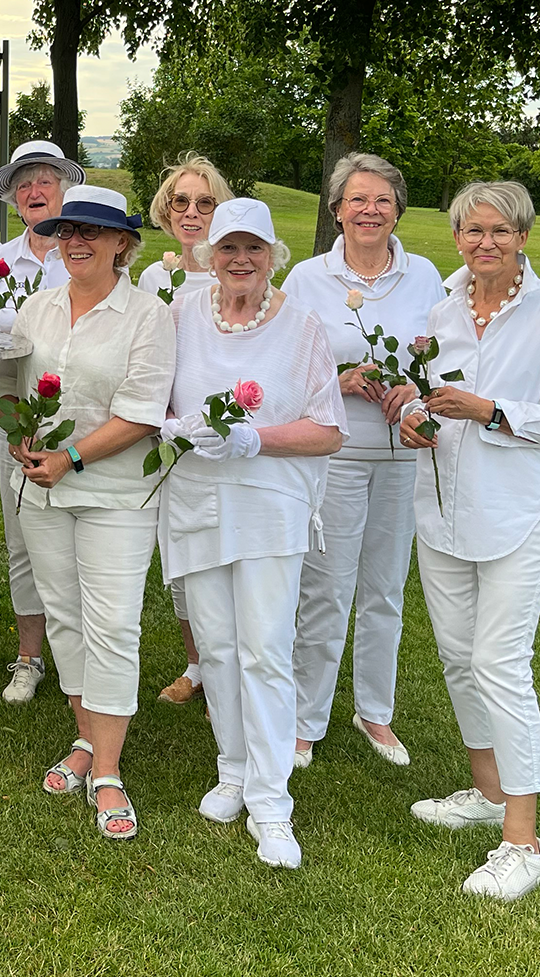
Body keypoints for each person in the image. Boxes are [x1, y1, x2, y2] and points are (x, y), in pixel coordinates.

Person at [400, 180, 540, 900]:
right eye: (473, 231)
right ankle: (486, 792)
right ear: (456, 238)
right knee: (457, 658)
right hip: (444, 511)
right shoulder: (440, 311)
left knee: (499, 664)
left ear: (522, 238)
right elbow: (425, 396)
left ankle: (524, 842)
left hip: (520, 515)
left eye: (500, 232)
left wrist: (489, 411)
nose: (486, 243)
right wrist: (413, 419)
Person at [158, 198, 346, 868]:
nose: (240, 260)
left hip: (269, 506)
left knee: (264, 648)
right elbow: (162, 398)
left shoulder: (301, 325)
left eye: (254, 249)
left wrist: (254, 439)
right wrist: (176, 425)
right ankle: (232, 769)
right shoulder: (182, 313)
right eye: (228, 248)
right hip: (196, 503)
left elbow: (328, 430)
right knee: (215, 646)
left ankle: (272, 801)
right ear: (209, 254)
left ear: (273, 256)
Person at [0, 184, 174, 841]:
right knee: (65, 618)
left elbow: (142, 412)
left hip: (116, 497)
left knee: (113, 627)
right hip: (42, 491)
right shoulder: (35, 309)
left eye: (92, 232)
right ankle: (82, 737)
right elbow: (7, 386)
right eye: (67, 230)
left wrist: (68, 457)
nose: (75, 241)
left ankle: (107, 769)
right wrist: (18, 436)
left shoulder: (147, 316)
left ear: (122, 244)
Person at [280, 152, 447, 768]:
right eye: (357, 199)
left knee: (384, 590)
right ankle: (305, 718)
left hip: (402, 453)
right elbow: (286, 369)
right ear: (337, 210)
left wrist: (417, 391)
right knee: (325, 587)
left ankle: (375, 711)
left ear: (398, 209)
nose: (369, 210)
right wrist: (338, 379)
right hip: (338, 453)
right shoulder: (306, 279)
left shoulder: (427, 276)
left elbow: (445, 360)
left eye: (382, 200)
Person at [0, 140, 84, 703]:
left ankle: (85, 653)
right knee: (23, 540)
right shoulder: (1, 264)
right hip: (22, 418)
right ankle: (29, 657)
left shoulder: (89, 249)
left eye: (45, 180)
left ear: (65, 190)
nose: (35, 191)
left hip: (88, 425)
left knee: (82, 541)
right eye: (24, 185)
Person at [139, 154, 237, 706]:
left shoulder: (237, 266)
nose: (193, 212)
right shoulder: (156, 276)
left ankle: (239, 661)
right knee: (180, 552)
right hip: (171, 434)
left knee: (229, 551)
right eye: (182, 201)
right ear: (166, 210)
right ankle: (197, 664)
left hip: (230, 431)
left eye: (205, 202)